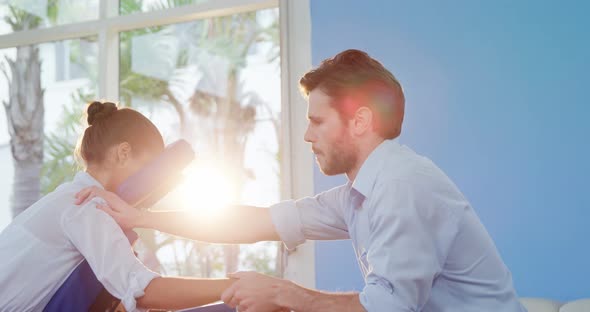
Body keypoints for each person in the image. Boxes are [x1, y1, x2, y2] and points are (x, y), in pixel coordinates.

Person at [76, 50, 527, 312]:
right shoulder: (359, 193)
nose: (307, 135)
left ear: (360, 121)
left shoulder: (403, 186)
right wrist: (145, 218)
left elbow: (387, 309)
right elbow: (253, 222)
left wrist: (282, 292)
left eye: (318, 121)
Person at [0, 101, 234, 311]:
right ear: (124, 153)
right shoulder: (86, 206)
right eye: (149, 169)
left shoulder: (68, 199)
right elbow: (142, 290)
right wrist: (234, 287)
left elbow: (121, 292)